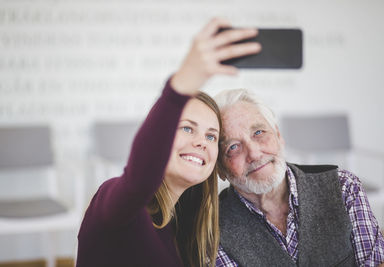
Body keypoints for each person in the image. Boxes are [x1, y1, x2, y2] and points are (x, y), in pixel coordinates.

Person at [76, 18, 262, 267]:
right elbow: (139, 181)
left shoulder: (185, 226)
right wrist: (183, 83)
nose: (201, 143)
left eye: (211, 136)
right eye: (187, 128)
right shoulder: (120, 206)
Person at [213, 88, 384, 266]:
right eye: (232, 147)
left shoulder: (344, 187)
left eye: (259, 133)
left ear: (279, 136)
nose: (254, 154)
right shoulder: (212, 229)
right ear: (220, 169)